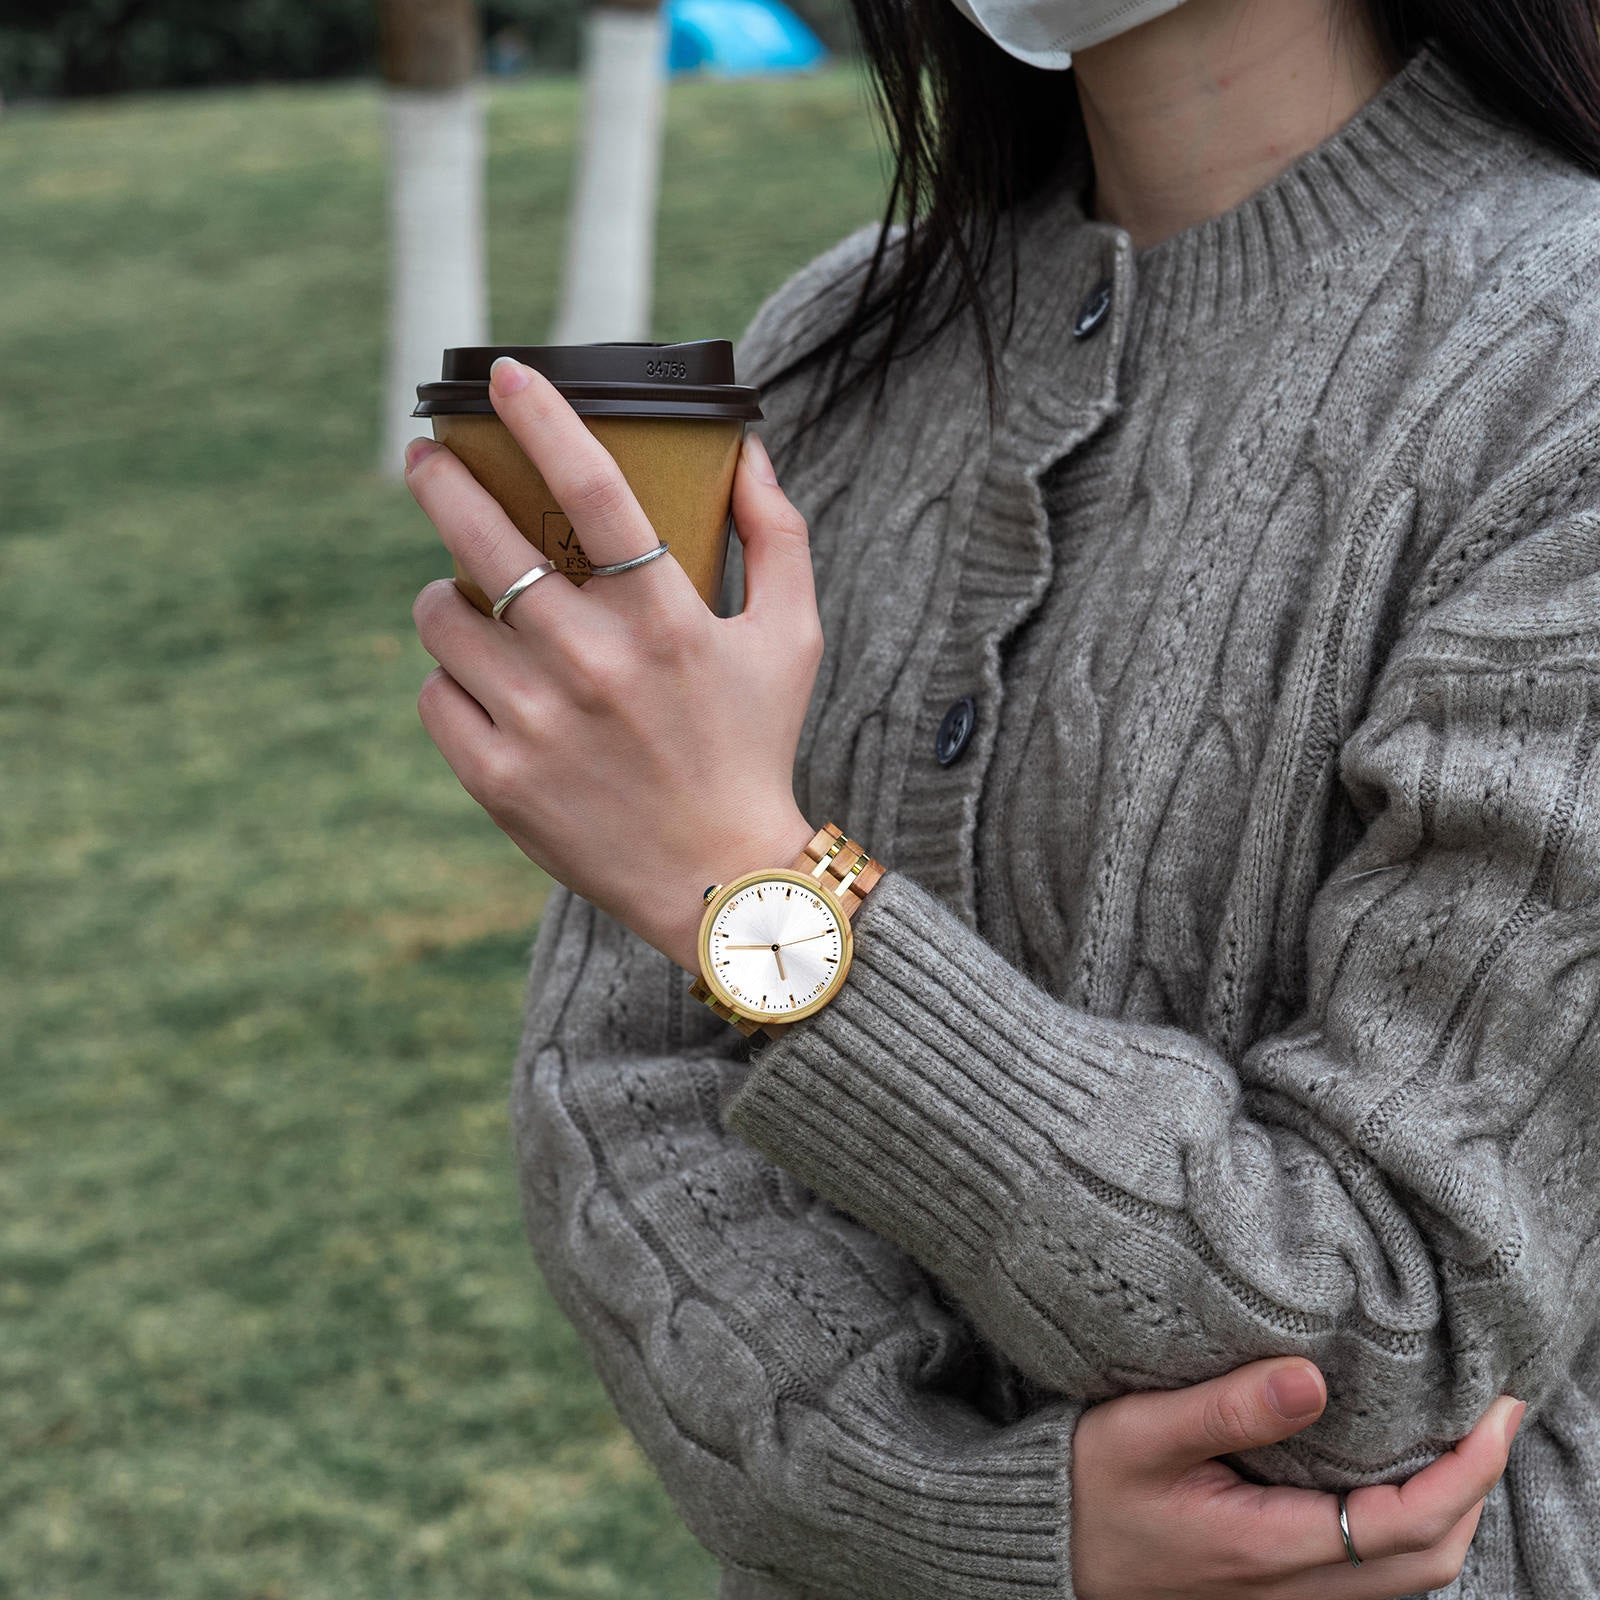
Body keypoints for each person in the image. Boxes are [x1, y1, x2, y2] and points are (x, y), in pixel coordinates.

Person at [402, 0, 1600, 1593]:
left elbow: (1391, 1336)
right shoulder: (830, 358)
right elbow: (615, 1095)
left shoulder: (1563, 373)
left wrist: (754, 889)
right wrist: (964, 1518)